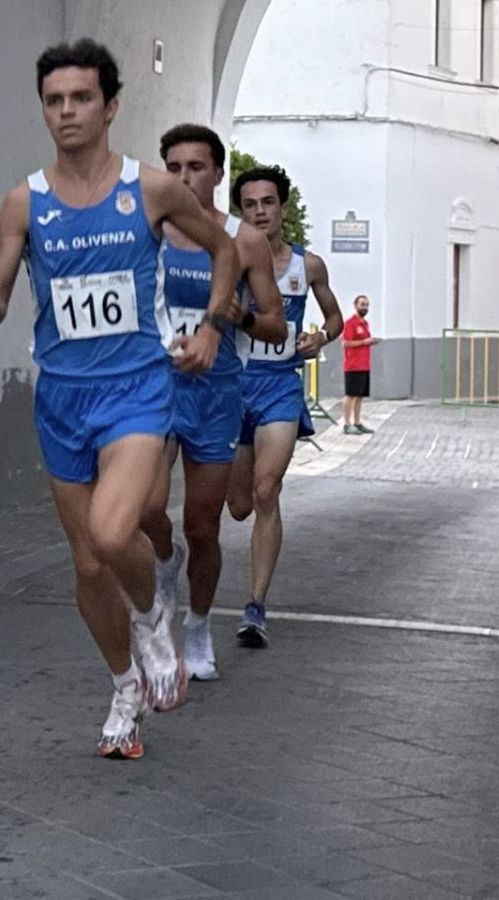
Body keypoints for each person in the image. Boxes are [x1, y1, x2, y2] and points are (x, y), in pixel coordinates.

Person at [0, 40, 242, 759]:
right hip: (61, 398)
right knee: (88, 567)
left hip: (137, 393)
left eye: (81, 98)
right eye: (54, 100)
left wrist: (213, 326)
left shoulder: (148, 189)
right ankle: (125, 684)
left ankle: (154, 614)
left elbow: (225, 248)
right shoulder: (23, 201)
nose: (66, 112)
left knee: (112, 535)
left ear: (110, 105)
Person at [139, 125, 285, 684]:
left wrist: (229, 316)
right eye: (173, 167)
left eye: (195, 167)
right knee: (146, 507)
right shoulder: (150, 231)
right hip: (156, 387)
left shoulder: (243, 242)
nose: (183, 179)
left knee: (203, 524)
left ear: (218, 173)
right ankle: (163, 558)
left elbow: (274, 326)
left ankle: (197, 624)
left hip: (216, 395)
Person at [226, 164, 343, 649]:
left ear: (282, 208)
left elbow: (333, 317)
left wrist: (319, 336)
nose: (259, 213)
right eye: (249, 205)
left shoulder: (307, 266)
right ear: (240, 211)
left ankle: (255, 607)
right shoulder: (227, 262)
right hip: (233, 389)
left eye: (267, 203)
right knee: (236, 506)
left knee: (267, 490)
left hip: (278, 388)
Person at [341, 295, 378, 434]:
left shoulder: (365, 323)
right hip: (353, 365)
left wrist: (371, 341)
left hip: (364, 365)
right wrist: (364, 342)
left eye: (367, 305)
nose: (365, 308)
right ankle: (346, 423)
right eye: (362, 304)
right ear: (355, 305)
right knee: (350, 395)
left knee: (360, 396)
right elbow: (345, 343)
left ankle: (357, 422)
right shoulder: (350, 323)